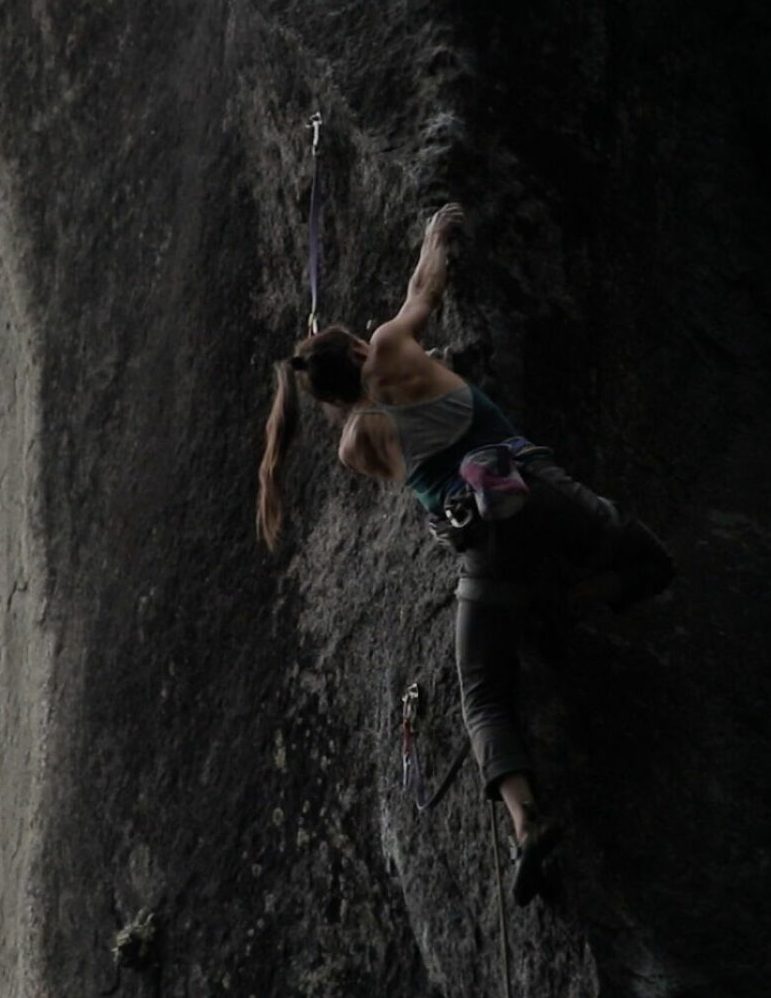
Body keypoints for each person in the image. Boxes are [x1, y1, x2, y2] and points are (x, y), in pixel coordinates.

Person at [256, 203, 673, 904]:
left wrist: (333, 375)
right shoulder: (390, 349)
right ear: (360, 350)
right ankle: (575, 598)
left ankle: (525, 821)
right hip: (536, 489)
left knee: (482, 695)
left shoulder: (352, 446)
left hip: (482, 549)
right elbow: (425, 288)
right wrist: (434, 231)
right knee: (647, 560)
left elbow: (371, 414)